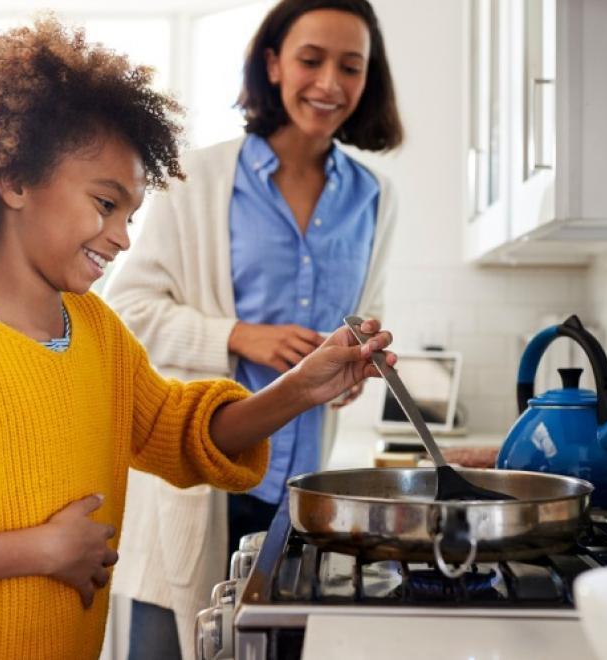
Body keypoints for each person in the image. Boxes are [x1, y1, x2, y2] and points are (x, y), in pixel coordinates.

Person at [0, 17, 395, 660]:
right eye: (105, 205)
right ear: (15, 180)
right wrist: (40, 548)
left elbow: (186, 436)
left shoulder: (98, 335)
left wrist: (302, 388)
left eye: (131, 214)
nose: (123, 237)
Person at [104, 1, 402, 656]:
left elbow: (363, 314)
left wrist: (356, 362)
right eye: (311, 60)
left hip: (302, 495)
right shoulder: (197, 180)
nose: (329, 83)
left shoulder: (375, 196)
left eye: (350, 67)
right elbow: (125, 309)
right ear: (273, 64)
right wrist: (237, 335)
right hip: (197, 482)